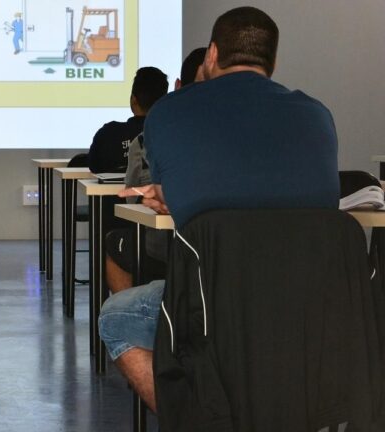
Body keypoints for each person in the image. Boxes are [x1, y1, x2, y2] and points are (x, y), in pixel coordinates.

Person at [98, 6, 339, 413]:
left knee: (115, 317)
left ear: (211, 55)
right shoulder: (317, 116)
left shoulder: (169, 114)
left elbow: (176, 184)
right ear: (273, 62)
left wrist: (169, 192)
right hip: (309, 312)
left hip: (213, 307)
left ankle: (197, 421)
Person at [103, 47, 207, 294]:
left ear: (179, 86)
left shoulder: (152, 137)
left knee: (114, 244)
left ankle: (137, 327)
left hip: (169, 246)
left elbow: (130, 194)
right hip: (230, 250)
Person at [87, 67, 168, 174]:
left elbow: (94, 167)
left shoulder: (107, 134)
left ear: (133, 99)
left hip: (114, 191)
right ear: (164, 102)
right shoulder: (171, 136)